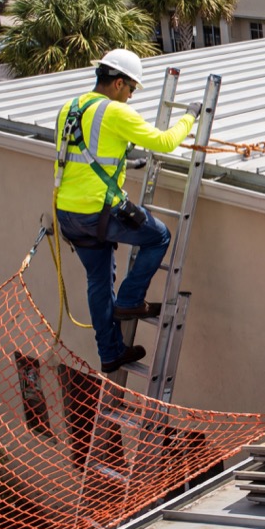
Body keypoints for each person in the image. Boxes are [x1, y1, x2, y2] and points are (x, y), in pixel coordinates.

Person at [54, 49, 200, 373]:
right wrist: (190, 116)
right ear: (118, 82)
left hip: (68, 212)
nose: (131, 96)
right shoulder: (115, 112)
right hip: (97, 212)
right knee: (158, 236)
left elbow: (81, 155)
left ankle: (111, 353)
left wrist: (129, 163)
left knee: (98, 281)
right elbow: (164, 142)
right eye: (132, 88)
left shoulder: (70, 107)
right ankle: (130, 300)